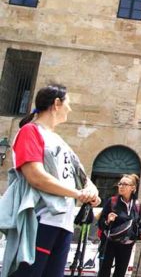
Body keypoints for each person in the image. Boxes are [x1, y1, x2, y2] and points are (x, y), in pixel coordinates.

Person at [4, 84, 101, 277]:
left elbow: (81, 176)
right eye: (68, 103)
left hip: (62, 224)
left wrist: (91, 191)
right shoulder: (30, 132)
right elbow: (36, 177)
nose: (70, 109)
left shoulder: (59, 141)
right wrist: (77, 194)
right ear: (56, 103)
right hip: (39, 220)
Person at [98, 173, 141, 277]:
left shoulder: (137, 205)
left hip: (127, 245)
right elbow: (100, 223)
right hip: (109, 243)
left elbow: (140, 225)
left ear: (133, 188)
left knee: (120, 273)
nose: (121, 186)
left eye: (125, 184)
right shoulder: (112, 201)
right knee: (104, 272)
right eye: (120, 184)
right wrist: (107, 220)